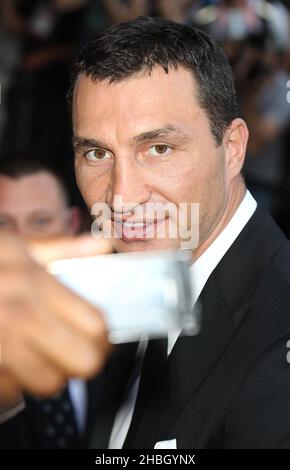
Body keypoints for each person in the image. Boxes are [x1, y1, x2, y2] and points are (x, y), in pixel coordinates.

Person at [1, 16, 290, 448]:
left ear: (231, 150)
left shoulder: (276, 330)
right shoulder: (129, 284)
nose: (121, 197)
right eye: (97, 153)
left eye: (158, 149)